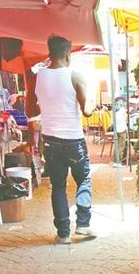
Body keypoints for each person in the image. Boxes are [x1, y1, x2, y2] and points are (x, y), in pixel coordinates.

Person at [32, 34, 94, 244]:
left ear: (50, 54)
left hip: (50, 140)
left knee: (58, 186)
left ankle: (63, 234)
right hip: (73, 140)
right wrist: (92, 103)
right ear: (68, 55)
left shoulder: (38, 77)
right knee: (83, 180)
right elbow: (87, 111)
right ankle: (83, 225)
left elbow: (31, 110)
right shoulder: (75, 76)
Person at [112, 96, 129, 166]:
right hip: (122, 129)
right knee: (121, 146)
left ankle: (115, 161)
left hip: (116, 130)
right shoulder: (123, 110)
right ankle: (118, 162)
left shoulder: (115, 110)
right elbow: (126, 119)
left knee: (116, 146)